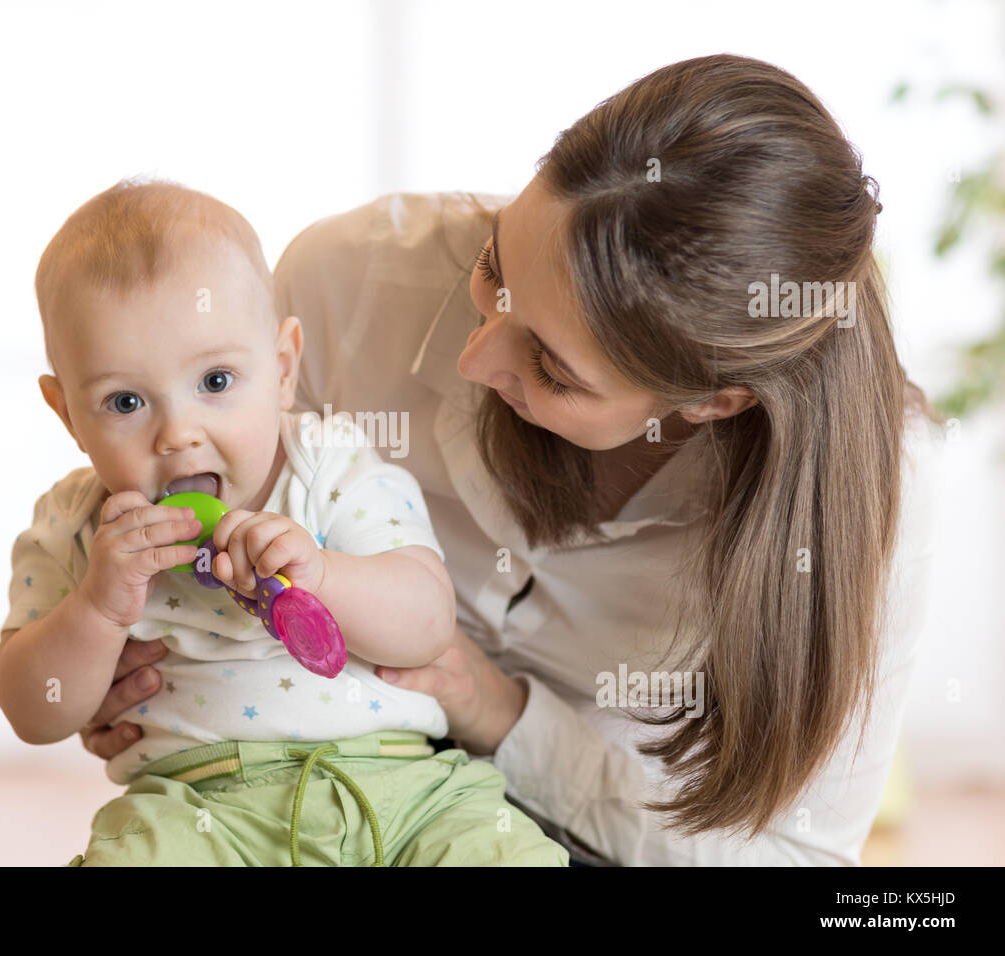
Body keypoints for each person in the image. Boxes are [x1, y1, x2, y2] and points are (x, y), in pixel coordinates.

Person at [74, 53, 942, 865]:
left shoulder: (872, 490)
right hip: (297, 771)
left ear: (714, 401)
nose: (476, 358)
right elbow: (172, 443)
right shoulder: (352, 281)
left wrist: (493, 708)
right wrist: (114, 659)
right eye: (494, 271)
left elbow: (787, 853)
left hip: (605, 831)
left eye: (552, 368)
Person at [0, 178, 570, 866]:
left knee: (501, 852)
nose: (178, 433)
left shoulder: (331, 467)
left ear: (283, 369)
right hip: (198, 809)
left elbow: (426, 623)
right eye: (124, 401)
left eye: (214, 383)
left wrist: (323, 574)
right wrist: (94, 611)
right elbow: (34, 710)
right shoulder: (76, 526)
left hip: (404, 789)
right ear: (67, 415)